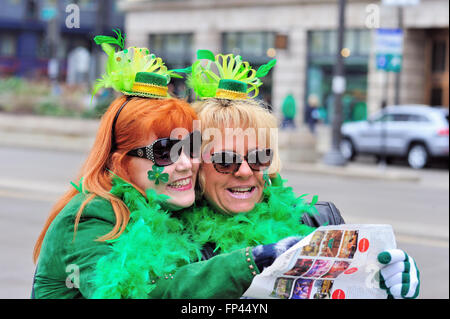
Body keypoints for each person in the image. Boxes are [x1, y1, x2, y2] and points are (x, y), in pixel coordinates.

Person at [182, 50, 420, 299]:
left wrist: (384, 289)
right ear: (197, 167)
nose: (244, 172)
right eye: (225, 160)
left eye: (257, 157)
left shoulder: (319, 223)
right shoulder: (180, 248)